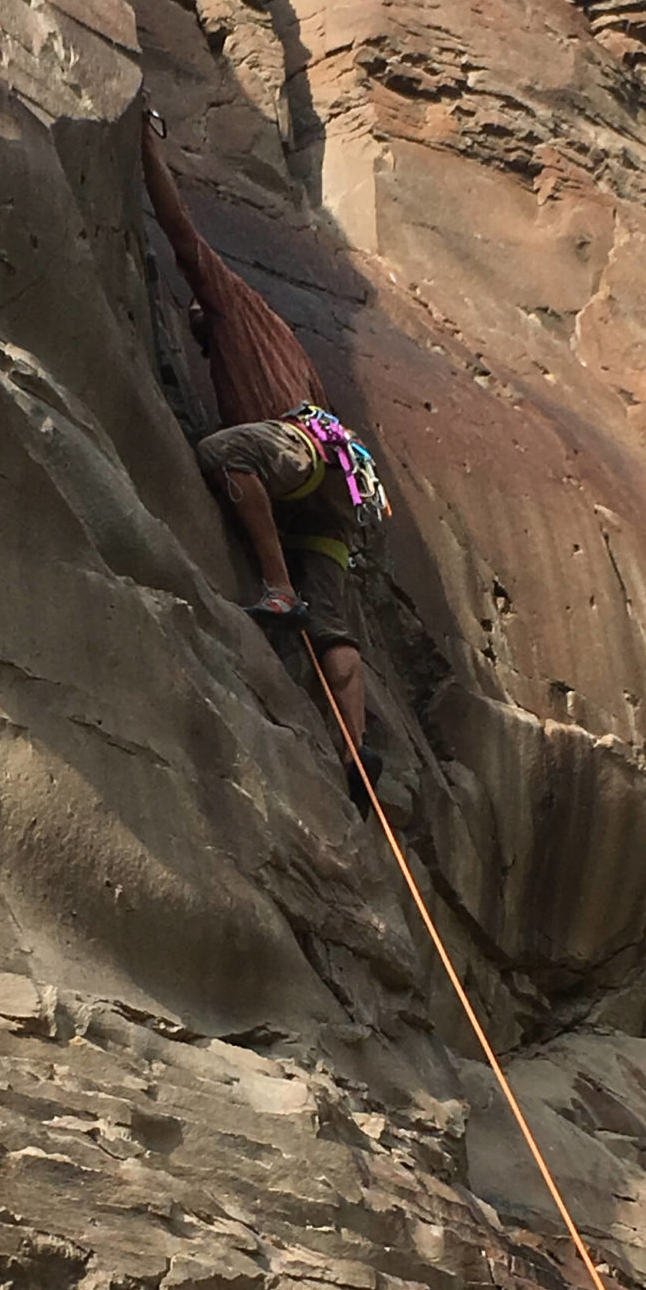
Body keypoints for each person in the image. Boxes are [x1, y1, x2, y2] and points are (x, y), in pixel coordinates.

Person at [140, 107, 384, 808]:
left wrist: (144, 145)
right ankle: (356, 753)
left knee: (225, 451)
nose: (196, 330)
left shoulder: (230, 303)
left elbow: (182, 234)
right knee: (333, 625)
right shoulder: (288, 347)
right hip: (334, 487)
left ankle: (278, 588)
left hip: (297, 447)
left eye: (199, 322)